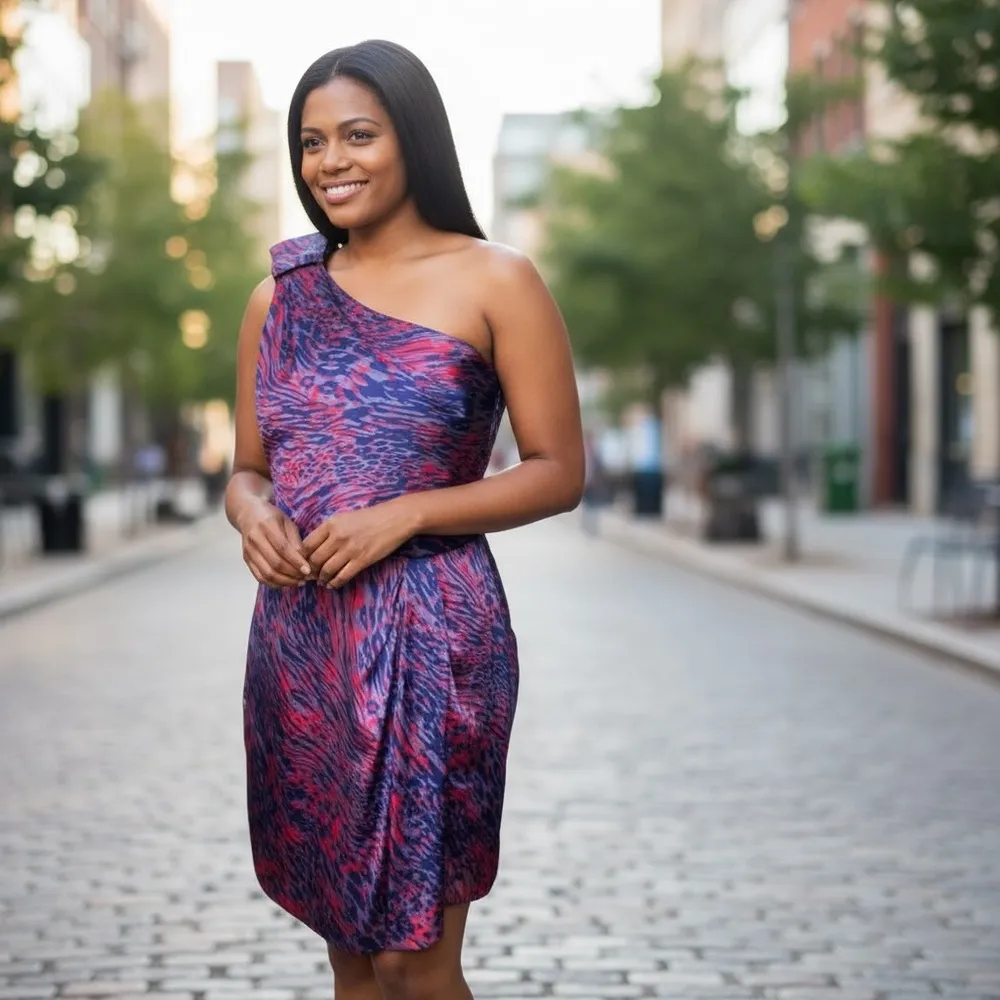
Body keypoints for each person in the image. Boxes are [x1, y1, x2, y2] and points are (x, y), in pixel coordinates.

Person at [224, 39, 584, 1000]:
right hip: (304, 640)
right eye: (311, 143)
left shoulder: (497, 278)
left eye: (356, 135)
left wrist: (407, 512)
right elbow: (248, 470)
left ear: (411, 139)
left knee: (416, 963)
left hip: (437, 634)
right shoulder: (276, 299)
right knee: (348, 950)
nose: (330, 161)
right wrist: (250, 513)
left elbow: (559, 472)